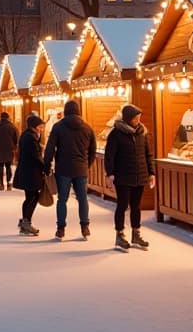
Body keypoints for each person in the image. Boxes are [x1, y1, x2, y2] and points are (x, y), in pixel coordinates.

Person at [43, 100, 96, 240]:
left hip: (63, 169)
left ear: (65, 111)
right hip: (81, 169)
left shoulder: (58, 127)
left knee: (62, 200)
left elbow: (50, 148)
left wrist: (47, 164)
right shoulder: (88, 128)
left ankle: (61, 229)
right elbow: (93, 150)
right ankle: (85, 226)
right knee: (82, 198)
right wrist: (86, 164)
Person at [104, 105, 155, 252]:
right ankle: (120, 234)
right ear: (127, 118)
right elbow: (110, 156)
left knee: (136, 206)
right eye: (135, 118)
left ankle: (136, 233)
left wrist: (151, 173)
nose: (138, 121)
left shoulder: (142, 133)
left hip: (140, 175)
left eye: (139, 118)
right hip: (123, 176)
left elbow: (148, 154)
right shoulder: (116, 134)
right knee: (122, 205)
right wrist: (110, 174)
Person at [12, 115, 46, 235]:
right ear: (35, 126)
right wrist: (45, 166)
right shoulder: (30, 137)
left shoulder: (28, 136)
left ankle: (25, 222)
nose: (41, 129)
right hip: (30, 172)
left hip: (27, 171)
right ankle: (26, 223)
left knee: (31, 197)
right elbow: (35, 156)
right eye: (40, 126)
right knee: (32, 197)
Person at [0, 112, 19, 191]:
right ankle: (9, 183)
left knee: (1, 165)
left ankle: (1, 184)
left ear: (0, 117)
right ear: (8, 117)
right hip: (9, 148)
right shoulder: (12, 126)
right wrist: (14, 147)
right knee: (8, 166)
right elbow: (16, 137)